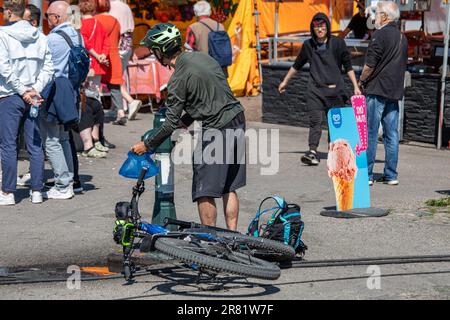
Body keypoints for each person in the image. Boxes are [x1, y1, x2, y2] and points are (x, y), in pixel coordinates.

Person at [132, 23, 246, 231]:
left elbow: (169, 124)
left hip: (217, 128)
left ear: (161, 51)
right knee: (229, 185)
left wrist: (147, 144)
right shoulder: (203, 57)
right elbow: (203, 98)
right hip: (238, 119)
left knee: (205, 190)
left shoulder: (177, 79)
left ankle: (211, 239)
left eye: (153, 50)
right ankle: (233, 236)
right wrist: (185, 124)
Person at [279, 13, 361, 166]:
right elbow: (297, 65)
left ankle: (334, 152)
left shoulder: (338, 43)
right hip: (315, 91)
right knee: (315, 121)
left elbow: (348, 66)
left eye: (322, 26)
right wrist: (285, 81)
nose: (320, 29)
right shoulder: (308, 46)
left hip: (335, 91)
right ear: (313, 28)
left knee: (334, 124)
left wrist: (355, 86)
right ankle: (312, 152)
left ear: (327, 27)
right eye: (316, 26)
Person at [0, 0, 54, 205]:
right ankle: (37, 190)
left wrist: (23, 91)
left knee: (8, 144)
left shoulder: (3, 35)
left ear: (8, 12)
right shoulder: (41, 36)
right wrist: (35, 89)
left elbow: (4, 68)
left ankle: (7, 192)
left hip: (10, 95)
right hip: (33, 95)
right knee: (34, 144)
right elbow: (49, 68)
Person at [358, 1, 408, 186]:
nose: (375, 17)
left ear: (385, 16)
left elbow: (369, 65)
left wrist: (361, 81)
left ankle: (368, 175)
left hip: (377, 89)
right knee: (391, 134)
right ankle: (391, 175)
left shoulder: (379, 35)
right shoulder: (403, 38)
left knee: (370, 133)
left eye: (377, 13)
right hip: (394, 91)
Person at [42, 0, 82, 199]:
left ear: (56, 17)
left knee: (51, 140)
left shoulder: (54, 38)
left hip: (55, 91)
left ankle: (62, 184)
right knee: (64, 137)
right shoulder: (76, 35)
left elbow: (47, 68)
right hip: (71, 92)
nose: (46, 19)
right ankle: (70, 180)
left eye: (48, 15)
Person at [78, 0, 110, 158]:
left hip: (88, 65)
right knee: (96, 98)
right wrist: (103, 56)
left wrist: (96, 56)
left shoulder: (81, 25)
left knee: (85, 101)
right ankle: (97, 137)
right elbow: (107, 42)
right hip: (99, 65)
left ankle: (88, 138)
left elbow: (85, 43)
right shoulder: (100, 24)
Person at [109, 0, 142, 120]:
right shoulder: (126, 6)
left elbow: (111, 27)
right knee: (117, 76)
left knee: (113, 78)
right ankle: (115, 108)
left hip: (118, 44)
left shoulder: (112, 6)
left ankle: (130, 101)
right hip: (127, 43)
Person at [95, 0, 126, 126]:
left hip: (99, 55)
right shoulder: (115, 21)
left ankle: (96, 112)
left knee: (94, 86)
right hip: (113, 55)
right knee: (114, 86)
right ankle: (121, 112)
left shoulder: (95, 20)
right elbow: (119, 38)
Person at [185, 0, 229, 77]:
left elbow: (189, 51)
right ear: (210, 12)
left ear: (195, 13)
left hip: (203, 69)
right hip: (221, 69)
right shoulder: (220, 26)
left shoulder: (193, 28)